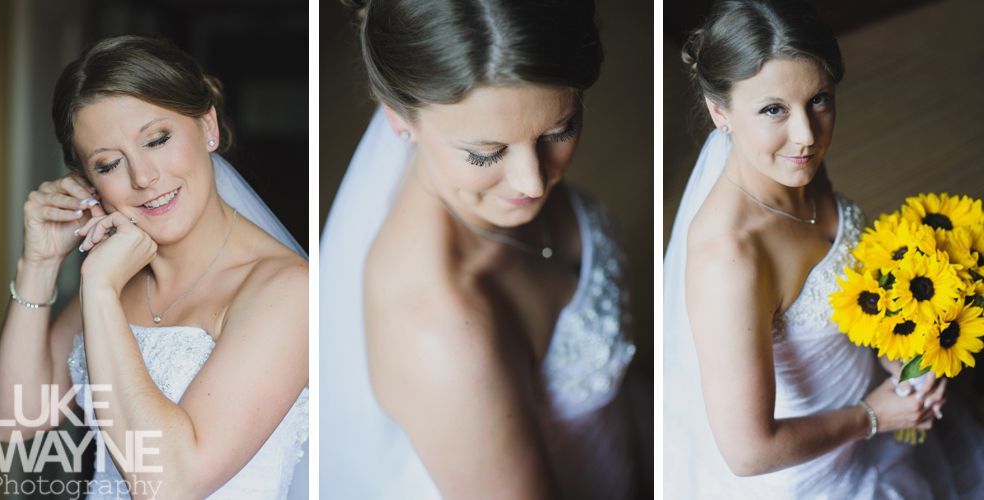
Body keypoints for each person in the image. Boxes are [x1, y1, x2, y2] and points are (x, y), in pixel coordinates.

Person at [320, 0, 646, 498]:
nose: (533, 182)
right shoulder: (437, 328)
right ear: (399, 117)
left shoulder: (509, 189)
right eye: (486, 153)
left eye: (559, 130)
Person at [663, 0, 984, 498]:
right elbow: (749, 453)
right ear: (718, 111)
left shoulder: (796, 164)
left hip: (867, 395)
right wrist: (875, 414)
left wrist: (899, 356)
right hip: (811, 470)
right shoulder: (728, 259)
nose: (807, 136)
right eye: (773, 109)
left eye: (819, 99)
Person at [0, 35, 309, 499]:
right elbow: (14, 420)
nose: (143, 178)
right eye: (108, 164)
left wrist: (98, 288)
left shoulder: (286, 291)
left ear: (208, 127)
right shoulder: (118, 277)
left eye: (157, 140)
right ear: (87, 182)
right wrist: (38, 262)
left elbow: (168, 485)